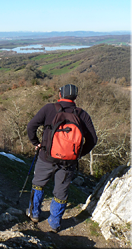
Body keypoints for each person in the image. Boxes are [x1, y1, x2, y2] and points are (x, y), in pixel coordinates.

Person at [26, 84, 97, 232]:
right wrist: (77, 154)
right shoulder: (82, 114)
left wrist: (36, 143)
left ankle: (34, 214)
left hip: (46, 157)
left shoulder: (49, 109)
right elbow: (92, 140)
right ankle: (54, 223)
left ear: (60, 94)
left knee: (38, 184)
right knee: (61, 192)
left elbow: (31, 126)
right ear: (75, 97)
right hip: (68, 162)